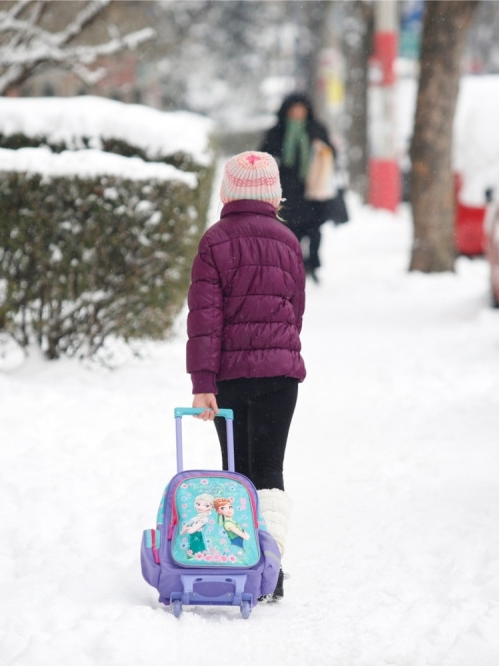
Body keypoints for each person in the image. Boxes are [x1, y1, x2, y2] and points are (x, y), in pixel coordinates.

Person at [186, 150, 305, 601]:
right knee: (270, 472)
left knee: (235, 473)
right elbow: (295, 311)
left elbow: (204, 319)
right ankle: (269, 571)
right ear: (276, 195)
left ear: (226, 193)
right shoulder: (288, 241)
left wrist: (203, 383)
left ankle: (235, 563)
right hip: (280, 378)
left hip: (230, 379)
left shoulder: (214, 242)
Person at [260, 92, 336, 283]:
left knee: (314, 230)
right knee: (288, 230)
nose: (297, 114)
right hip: (286, 190)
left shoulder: (316, 129)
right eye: (293, 110)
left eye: (301, 110)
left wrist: (321, 151)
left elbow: (331, 155)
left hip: (313, 190)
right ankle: (292, 264)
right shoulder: (277, 132)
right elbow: (264, 156)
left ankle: (312, 264)